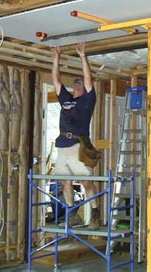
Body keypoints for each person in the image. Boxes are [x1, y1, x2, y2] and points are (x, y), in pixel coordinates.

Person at [51, 42, 99, 230]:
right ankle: (72, 214)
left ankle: (94, 213)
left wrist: (82, 56)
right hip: (62, 145)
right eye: (75, 84)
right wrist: (56, 57)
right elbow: (56, 80)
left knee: (86, 181)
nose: (76, 86)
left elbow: (88, 79)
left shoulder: (88, 100)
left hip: (78, 145)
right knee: (65, 182)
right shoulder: (67, 100)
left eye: (79, 84)